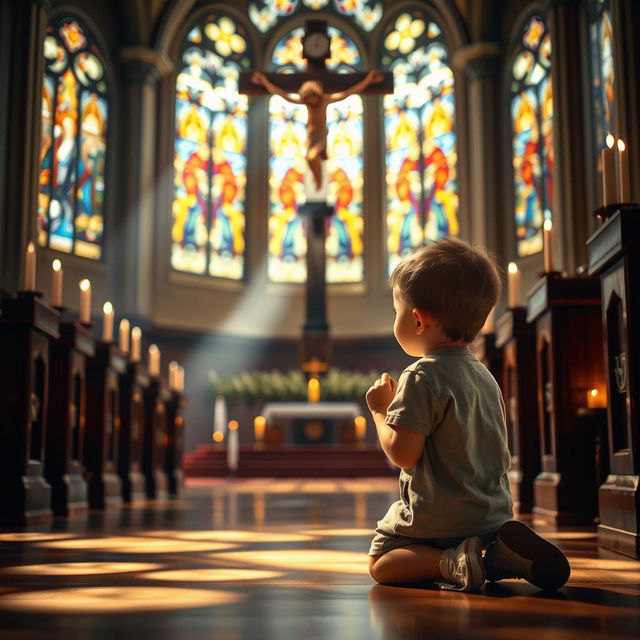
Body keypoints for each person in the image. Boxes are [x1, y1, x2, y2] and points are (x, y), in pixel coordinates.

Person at [366, 237, 570, 592]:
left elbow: (403, 455)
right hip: (489, 515)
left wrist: (381, 410)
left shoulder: (420, 375)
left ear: (417, 320)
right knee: (472, 540)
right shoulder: (485, 375)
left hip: (437, 519)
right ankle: (494, 556)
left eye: (396, 311)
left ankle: (456, 562)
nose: (395, 319)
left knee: (381, 562)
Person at [251, 69, 384, 190]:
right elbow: (282, 94)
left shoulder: (325, 100)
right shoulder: (306, 103)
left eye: (313, 97)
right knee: (308, 158)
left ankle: (319, 180)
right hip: (310, 136)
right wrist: (264, 81)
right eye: (308, 99)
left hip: (321, 136)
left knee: (312, 156)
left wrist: (368, 80)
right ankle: (316, 179)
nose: (311, 101)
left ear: (317, 94)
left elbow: (348, 92)